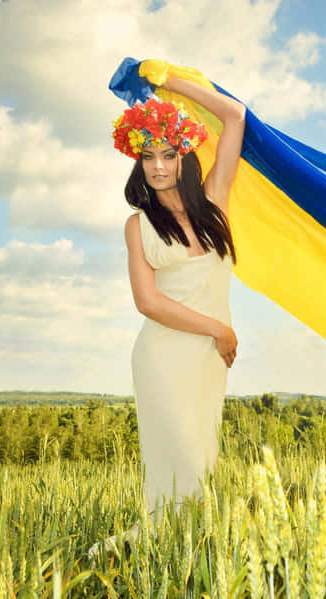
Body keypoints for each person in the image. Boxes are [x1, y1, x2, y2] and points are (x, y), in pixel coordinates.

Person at [88, 65, 245, 560]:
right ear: (138, 162)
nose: (157, 166)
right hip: (164, 355)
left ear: (183, 156)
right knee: (179, 465)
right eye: (148, 156)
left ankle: (184, 558)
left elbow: (235, 115)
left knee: (202, 461)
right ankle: (143, 554)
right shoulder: (138, 225)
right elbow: (148, 303)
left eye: (168, 154)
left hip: (207, 360)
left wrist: (166, 82)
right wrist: (219, 329)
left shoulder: (215, 203)